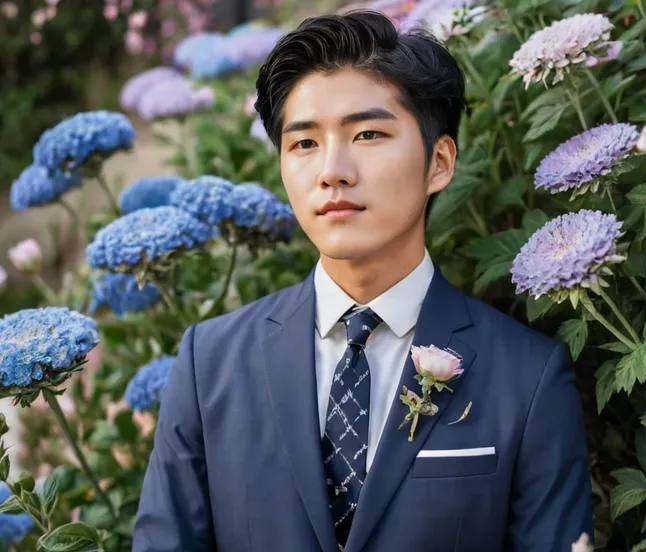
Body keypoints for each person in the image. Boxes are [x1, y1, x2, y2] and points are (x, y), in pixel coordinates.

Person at [132, 10, 594, 552]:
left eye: (368, 133)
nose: (332, 169)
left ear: (439, 162)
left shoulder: (528, 377)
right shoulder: (208, 363)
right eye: (304, 143)